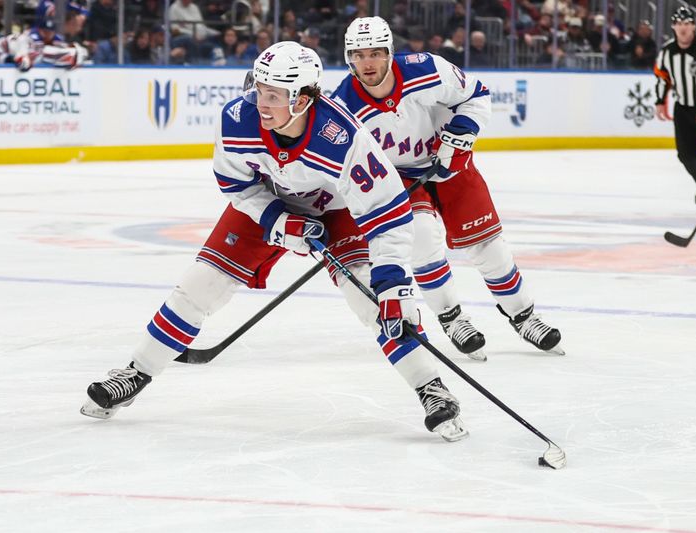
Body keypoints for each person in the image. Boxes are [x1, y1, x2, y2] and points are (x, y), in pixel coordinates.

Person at [80, 41, 468, 442]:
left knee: (374, 300)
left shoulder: (343, 138)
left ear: (303, 98)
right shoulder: (237, 118)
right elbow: (236, 184)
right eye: (259, 89)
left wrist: (391, 284)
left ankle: (431, 388)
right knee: (200, 284)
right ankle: (137, 371)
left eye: (273, 95)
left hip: (337, 212)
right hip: (267, 200)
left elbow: (386, 211)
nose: (260, 103)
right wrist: (278, 220)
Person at [332, 16, 563, 360]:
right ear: (350, 59)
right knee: (423, 240)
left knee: (488, 246)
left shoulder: (426, 70)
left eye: (376, 53)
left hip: (452, 162)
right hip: (400, 180)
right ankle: (452, 318)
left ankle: (523, 314)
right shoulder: (343, 107)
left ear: (390, 53)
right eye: (359, 55)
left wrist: (463, 130)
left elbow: (477, 95)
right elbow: (343, 166)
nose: (367, 63)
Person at [654, 6, 696, 205]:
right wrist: (660, 101)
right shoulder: (667, 52)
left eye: (687, 24)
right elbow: (662, 77)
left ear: (694, 26)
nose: (683, 28)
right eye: (679, 24)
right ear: (673, 26)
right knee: (686, 154)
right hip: (684, 109)